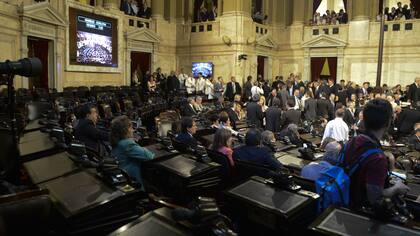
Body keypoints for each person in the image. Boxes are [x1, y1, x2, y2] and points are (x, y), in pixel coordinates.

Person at [343, 98, 410, 209]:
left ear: (364, 119)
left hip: (344, 201)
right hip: (359, 211)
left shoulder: (354, 140)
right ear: (388, 122)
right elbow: (374, 197)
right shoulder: (378, 158)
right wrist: (396, 188)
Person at [110, 116, 155, 190]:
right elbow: (149, 156)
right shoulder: (127, 144)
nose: (133, 130)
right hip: (132, 181)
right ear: (125, 130)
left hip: (123, 177)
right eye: (130, 128)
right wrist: (134, 143)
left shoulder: (117, 141)